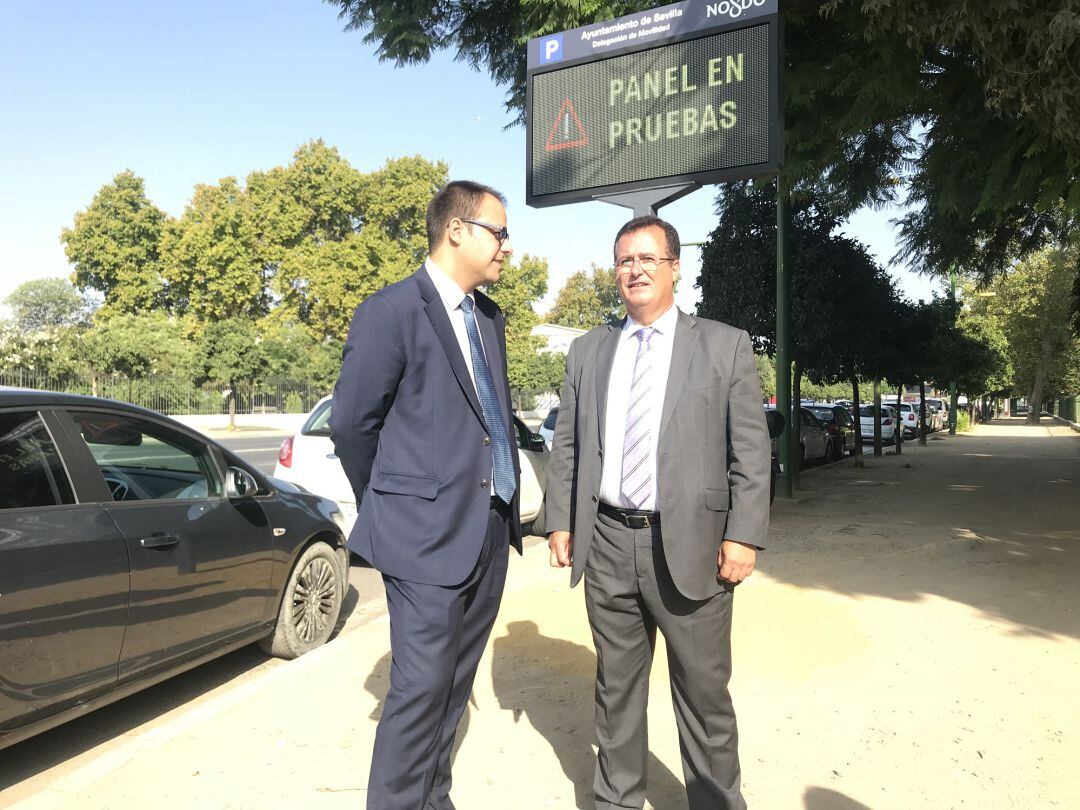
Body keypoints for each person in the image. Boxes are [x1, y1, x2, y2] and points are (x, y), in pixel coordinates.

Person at [545, 215, 771, 810]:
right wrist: (562, 520)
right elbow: (567, 444)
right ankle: (617, 800)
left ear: (674, 267)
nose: (635, 269)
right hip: (610, 545)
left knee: (703, 698)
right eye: (624, 260)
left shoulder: (724, 345)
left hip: (693, 546)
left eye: (647, 258)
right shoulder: (588, 351)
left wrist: (744, 534)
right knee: (615, 690)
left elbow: (750, 449)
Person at [330, 180, 522, 810]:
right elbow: (352, 424)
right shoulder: (390, 311)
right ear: (456, 230)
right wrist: (394, 505)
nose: (507, 247)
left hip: (489, 530)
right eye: (499, 232)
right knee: (420, 692)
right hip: (423, 537)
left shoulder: (488, 318)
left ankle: (431, 800)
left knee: (453, 684)